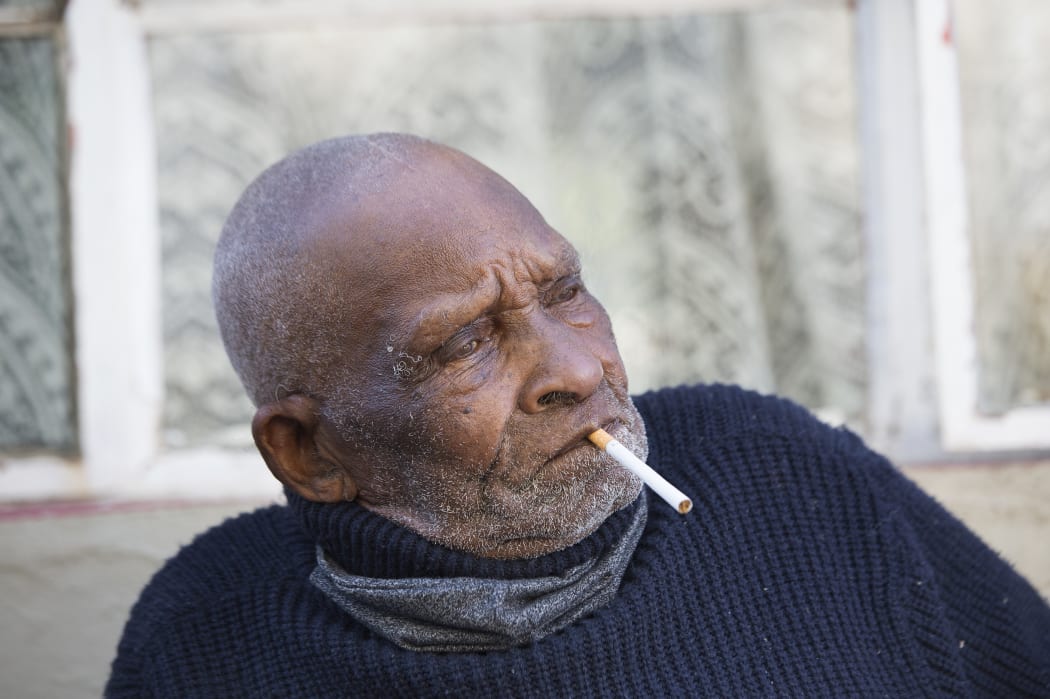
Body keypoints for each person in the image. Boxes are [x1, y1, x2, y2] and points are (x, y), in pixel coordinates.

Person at [107, 134, 1050, 697]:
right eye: (465, 342)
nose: (576, 367)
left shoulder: (786, 478)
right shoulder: (207, 639)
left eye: (566, 292)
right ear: (308, 451)